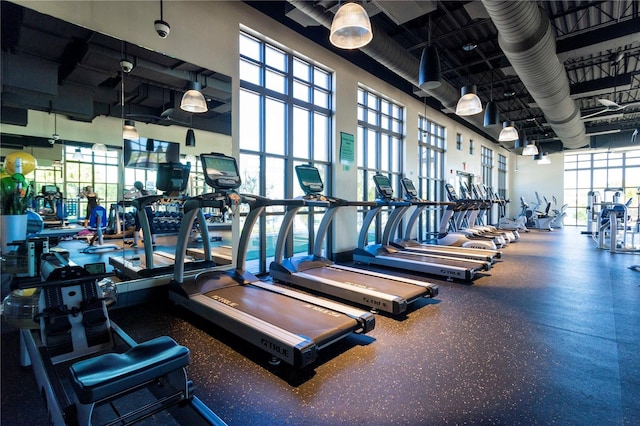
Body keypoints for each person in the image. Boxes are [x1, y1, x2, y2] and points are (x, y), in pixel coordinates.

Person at [124, 181, 156, 248]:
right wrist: (154, 210)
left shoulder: (137, 193)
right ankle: (153, 242)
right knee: (151, 225)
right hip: (149, 209)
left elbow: (126, 196)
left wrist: (131, 189)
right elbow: (152, 202)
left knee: (138, 226)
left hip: (141, 210)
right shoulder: (148, 192)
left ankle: (135, 243)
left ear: (136, 187)